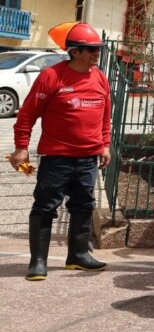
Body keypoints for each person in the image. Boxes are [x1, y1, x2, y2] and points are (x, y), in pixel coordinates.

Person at [15, 22, 110, 281]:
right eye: (90, 49)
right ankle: (38, 261)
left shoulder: (100, 77)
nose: (96, 54)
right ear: (75, 51)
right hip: (57, 158)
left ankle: (78, 256)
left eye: (97, 49)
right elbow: (27, 114)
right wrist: (21, 147)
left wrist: (105, 144)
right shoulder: (51, 77)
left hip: (89, 158)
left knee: (83, 204)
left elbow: (105, 114)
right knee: (45, 206)